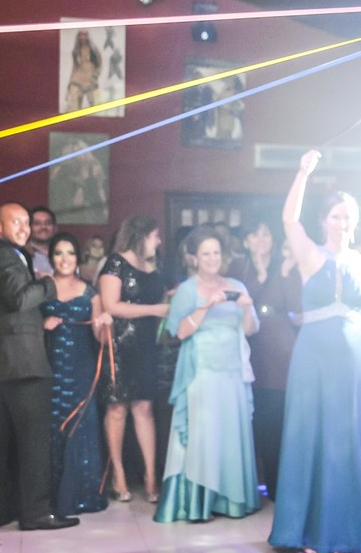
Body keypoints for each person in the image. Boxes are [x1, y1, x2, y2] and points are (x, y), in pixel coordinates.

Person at [268, 159, 361, 553]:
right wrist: (302, 173)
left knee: (347, 436)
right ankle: (305, 530)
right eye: (336, 215)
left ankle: (347, 530)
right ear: (324, 220)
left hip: (351, 356)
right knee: (310, 434)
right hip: (313, 355)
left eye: (348, 216)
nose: (342, 221)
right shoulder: (309, 255)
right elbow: (287, 219)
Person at [0, 203, 78, 531]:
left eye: (25, 222)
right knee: (33, 445)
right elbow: (18, 299)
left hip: (2, 361)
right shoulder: (3, 254)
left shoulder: (2, 252)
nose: (23, 227)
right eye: (15, 222)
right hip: (21, 362)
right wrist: (49, 284)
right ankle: (36, 512)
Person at [155, 228, 260, 522]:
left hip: (233, 372)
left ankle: (231, 499)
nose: (212, 259)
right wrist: (207, 304)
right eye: (206, 254)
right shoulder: (188, 289)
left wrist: (247, 308)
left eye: (216, 253)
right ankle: (198, 501)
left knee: (229, 432)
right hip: (201, 371)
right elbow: (179, 332)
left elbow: (250, 329)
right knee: (205, 434)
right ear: (194, 258)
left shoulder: (237, 285)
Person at [228, 218, 301, 500]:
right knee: (256, 417)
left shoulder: (286, 266)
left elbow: (295, 304)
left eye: (266, 234)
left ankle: (279, 484)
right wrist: (257, 274)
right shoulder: (237, 269)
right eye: (255, 235)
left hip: (280, 345)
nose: (261, 240)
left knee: (280, 415)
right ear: (245, 241)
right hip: (249, 345)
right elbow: (240, 305)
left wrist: (281, 273)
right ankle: (256, 481)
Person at [98, 215, 168, 503]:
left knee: (145, 409)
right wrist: (154, 309)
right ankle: (119, 474)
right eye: (155, 236)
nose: (159, 241)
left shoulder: (153, 266)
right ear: (140, 236)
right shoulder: (115, 263)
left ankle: (151, 476)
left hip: (147, 344)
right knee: (118, 410)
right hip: (120, 343)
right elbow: (111, 306)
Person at [40, 233, 110, 518]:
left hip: (82, 367)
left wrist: (104, 324)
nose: (64, 259)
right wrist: (42, 324)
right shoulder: (42, 288)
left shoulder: (90, 292)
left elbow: (99, 337)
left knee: (81, 426)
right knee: (51, 426)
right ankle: (53, 495)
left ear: (77, 257)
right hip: (49, 366)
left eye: (70, 253)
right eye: (58, 253)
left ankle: (82, 494)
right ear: (51, 257)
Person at [63, 30, 102, 111]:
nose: (82, 37)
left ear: (88, 36)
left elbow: (100, 65)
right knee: (75, 108)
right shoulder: (75, 52)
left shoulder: (94, 50)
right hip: (77, 81)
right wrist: (68, 86)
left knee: (96, 108)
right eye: (80, 35)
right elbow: (74, 68)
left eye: (85, 35)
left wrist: (94, 77)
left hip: (91, 81)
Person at [27, 206, 56, 276]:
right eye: (37, 223)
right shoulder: (23, 253)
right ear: (28, 227)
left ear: (55, 228)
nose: (43, 227)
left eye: (48, 223)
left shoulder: (64, 251)